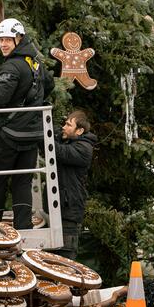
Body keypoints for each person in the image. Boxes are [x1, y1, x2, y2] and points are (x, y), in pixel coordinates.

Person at [0, 18, 54, 230]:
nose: (3, 44)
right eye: (0, 41)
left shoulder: (12, 66)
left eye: (8, 39)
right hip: (32, 135)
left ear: (19, 38)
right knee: (22, 182)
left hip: (9, 134)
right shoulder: (36, 63)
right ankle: (24, 227)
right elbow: (50, 86)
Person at [52, 110, 97, 259]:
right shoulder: (70, 142)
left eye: (68, 125)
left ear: (79, 130)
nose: (64, 127)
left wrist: (46, 138)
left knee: (65, 259)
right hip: (62, 209)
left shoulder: (84, 148)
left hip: (69, 212)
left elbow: (59, 152)